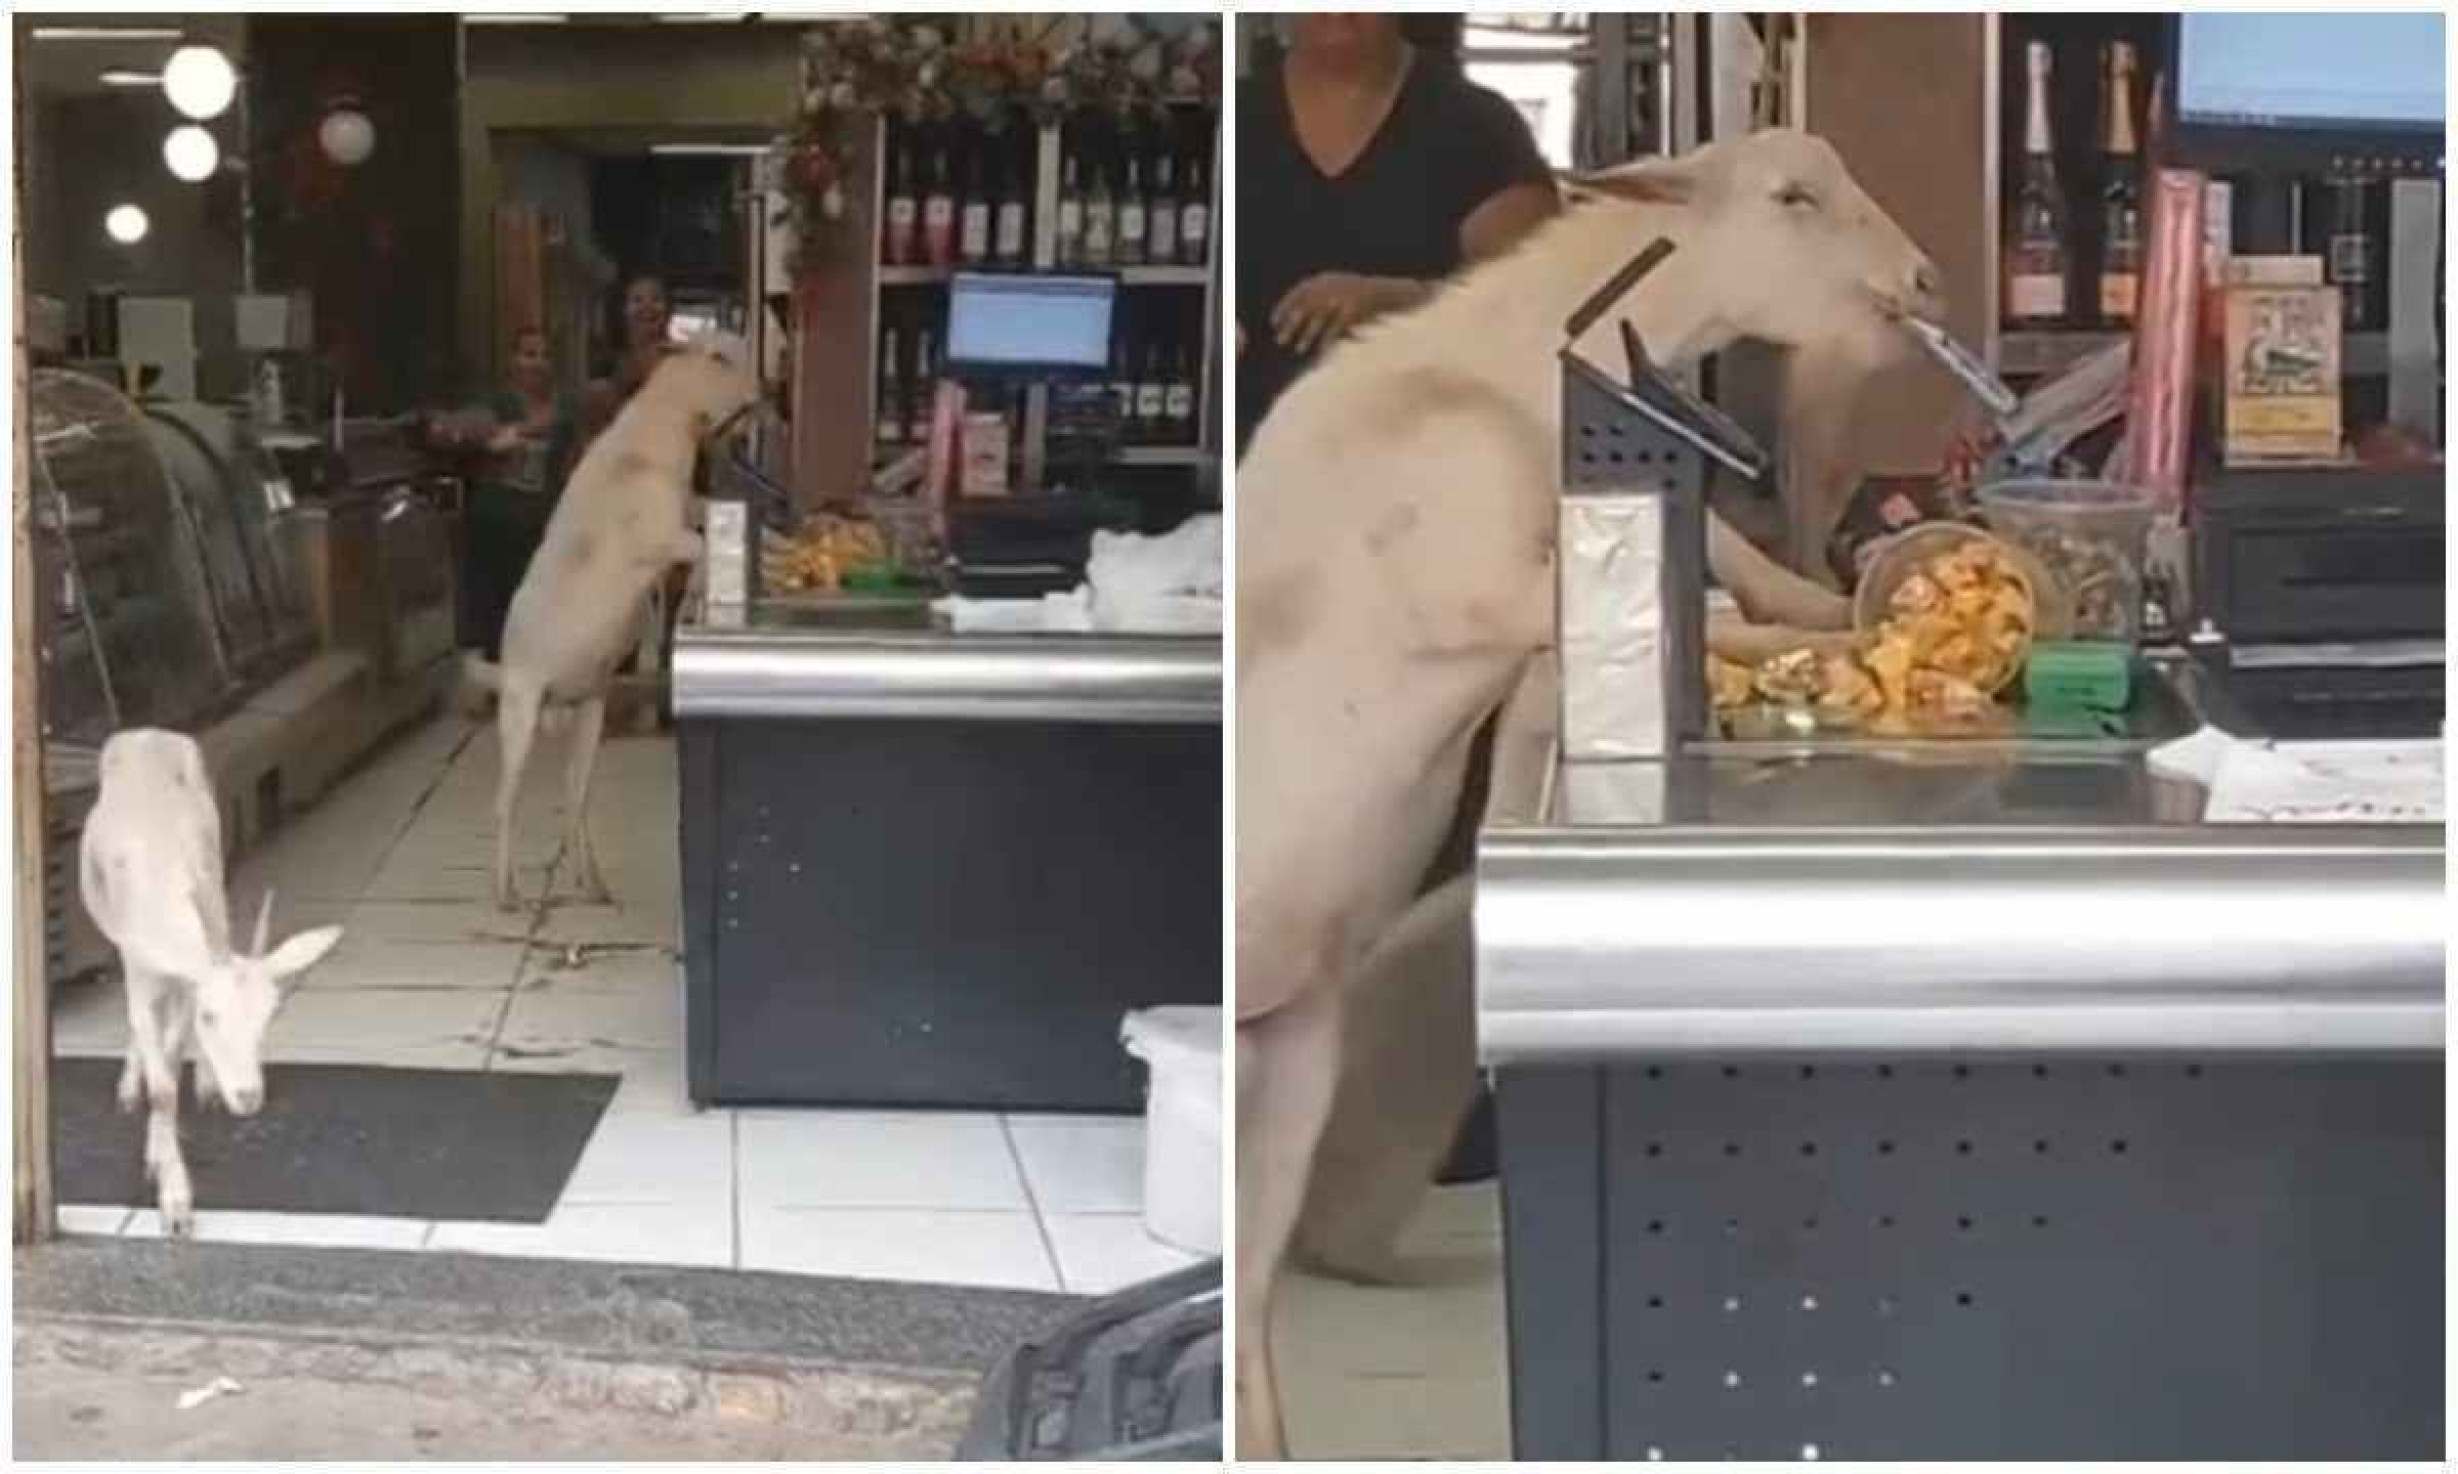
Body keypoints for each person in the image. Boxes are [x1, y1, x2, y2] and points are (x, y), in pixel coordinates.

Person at [1236, 12, 1562, 451]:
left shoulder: (1474, 125)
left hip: (1427, 456)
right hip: (1253, 461)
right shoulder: (1238, 119)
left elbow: (1534, 295)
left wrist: (1404, 298)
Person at [433, 325, 581, 660]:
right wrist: (509, 433)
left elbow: (571, 462)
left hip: (544, 525)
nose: (537, 363)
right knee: (494, 607)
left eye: (545, 355)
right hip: (496, 522)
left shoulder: (565, 410)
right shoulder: (495, 403)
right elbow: (464, 431)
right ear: (513, 361)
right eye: (529, 354)